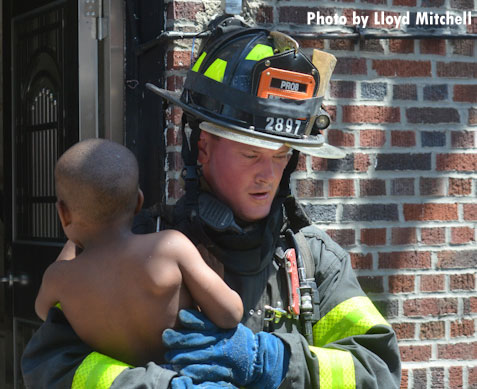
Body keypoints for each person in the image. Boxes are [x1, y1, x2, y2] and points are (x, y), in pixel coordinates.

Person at [22, 16, 401, 389]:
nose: (268, 175)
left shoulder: (313, 260)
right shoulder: (136, 246)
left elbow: (378, 370)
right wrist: (157, 386)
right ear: (202, 148)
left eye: (281, 155)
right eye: (251, 155)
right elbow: (50, 364)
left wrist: (272, 360)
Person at [34, 138, 243, 367]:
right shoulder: (169, 248)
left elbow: (45, 314)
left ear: (63, 213)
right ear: (139, 202)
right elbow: (230, 314)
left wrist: (72, 241)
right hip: (175, 379)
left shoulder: (60, 278)